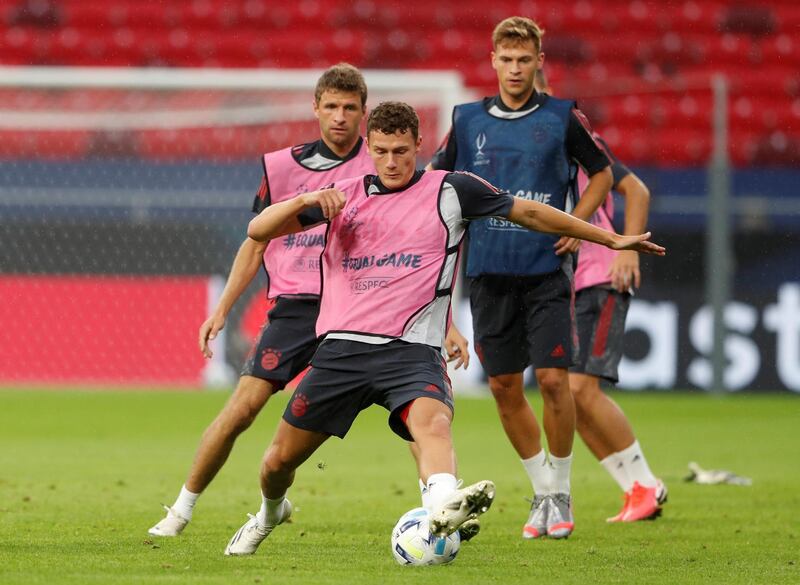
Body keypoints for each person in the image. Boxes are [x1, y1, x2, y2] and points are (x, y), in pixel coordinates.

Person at [223, 100, 664, 556]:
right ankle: (270, 512)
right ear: (370, 148)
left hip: (412, 351)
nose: (391, 162)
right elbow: (259, 230)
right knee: (277, 462)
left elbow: (530, 214)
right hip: (342, 351)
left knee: (433, 423)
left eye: (401, 150)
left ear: (419, 145)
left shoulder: (453, 190)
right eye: (381, 151)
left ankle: (442, 504)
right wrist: (304, 199)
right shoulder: (342, 194)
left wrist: (608, 237)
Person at [148, 63, 376, 537]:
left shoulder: (382, 164)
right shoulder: (283, 166)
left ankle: (437, 503)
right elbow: (255, 242)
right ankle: (181, 510)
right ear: (315, 108)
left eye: (349, 107)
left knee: (411, 407)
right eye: (331, 106)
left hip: (359, 306)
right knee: (243, 407)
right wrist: (223, 309)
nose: (339, 116)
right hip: (296, 308)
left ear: (363, 112)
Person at [428, 16, 612, 539]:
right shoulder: (466, 121)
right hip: (488, 273)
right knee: (506, 386)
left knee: (554, 380)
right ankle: (541, 491)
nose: (514, 69)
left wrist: (580, 225)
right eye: (505, 60)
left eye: (523, 60)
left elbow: (601, 172)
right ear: (493, 61)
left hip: (546, 269)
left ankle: (562, 490)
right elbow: (437, 185)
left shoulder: (561, 117)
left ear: (538, 63)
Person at [533, 70, 668, 522]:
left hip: (598, 273)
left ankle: (647, 483)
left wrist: (629, 253)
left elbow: (636, 189)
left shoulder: (577, 133)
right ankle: (636, 490)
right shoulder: (520, 148)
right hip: (561, 283)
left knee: (580, 390)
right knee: (570, 397)